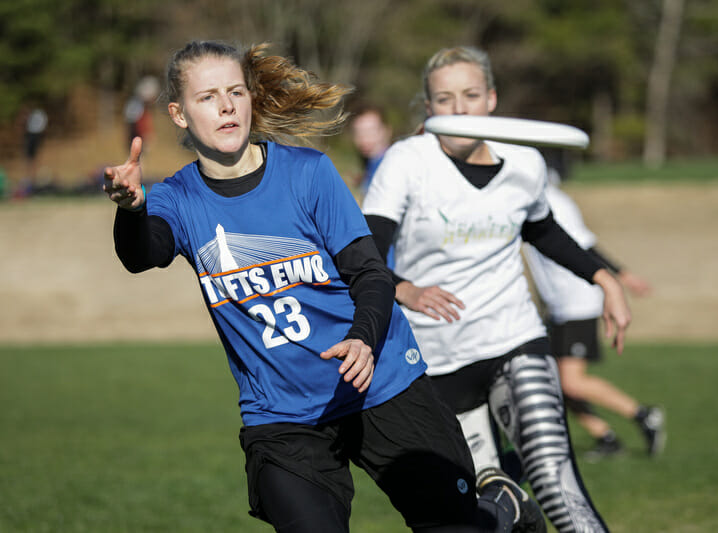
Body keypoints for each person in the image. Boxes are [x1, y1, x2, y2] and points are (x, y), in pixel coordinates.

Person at [103, 40, 545, 533]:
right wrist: (131, 209)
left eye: (236, 92)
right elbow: (141, 254)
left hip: (379, 380)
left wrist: (362, 337)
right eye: (207, 97)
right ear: (179, 114)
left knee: (457, 525)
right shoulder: (176, 198)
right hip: (283, 412)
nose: (227, 106)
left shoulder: (307, 172)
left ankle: (496, 510)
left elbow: (371, 273)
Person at [362, 46, 633, 533]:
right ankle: (511, 507)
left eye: (470, 95)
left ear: (491, 99)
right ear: (429, 109)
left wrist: (605, 278)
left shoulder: (524, 162)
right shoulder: (406, 162)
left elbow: (544, 231)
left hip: (513, 337)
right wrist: (404, 290)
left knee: (556, 479)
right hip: (435, 356)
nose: (459, 108)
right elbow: (366, 250)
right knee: (487, 504)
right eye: (444, 99)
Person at [521, 159, 665, 461]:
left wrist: (621, 277)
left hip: (577, 301)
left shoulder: (553, 203)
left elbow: (584, 247)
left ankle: (643, 414)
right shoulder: (520, 200)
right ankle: (605, 437)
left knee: (570, 380)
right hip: (558, 304)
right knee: (555, 381)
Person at [349, 102, 393, 199]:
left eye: (371, 131)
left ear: (387, 131)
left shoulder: (390, 166)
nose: (364, 138)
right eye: (358, 133)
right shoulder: (371, 163)